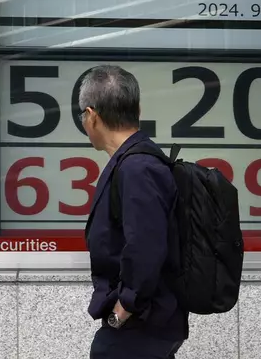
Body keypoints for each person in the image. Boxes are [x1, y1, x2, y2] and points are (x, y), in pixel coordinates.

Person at [78, 65, 189, 358]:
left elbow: (145, 246)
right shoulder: (137, 162)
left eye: (83, 116)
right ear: (137, 109)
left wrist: (122, 310)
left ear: (92, 116)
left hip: (140, 327)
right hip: (149, 325)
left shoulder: (137, 168)